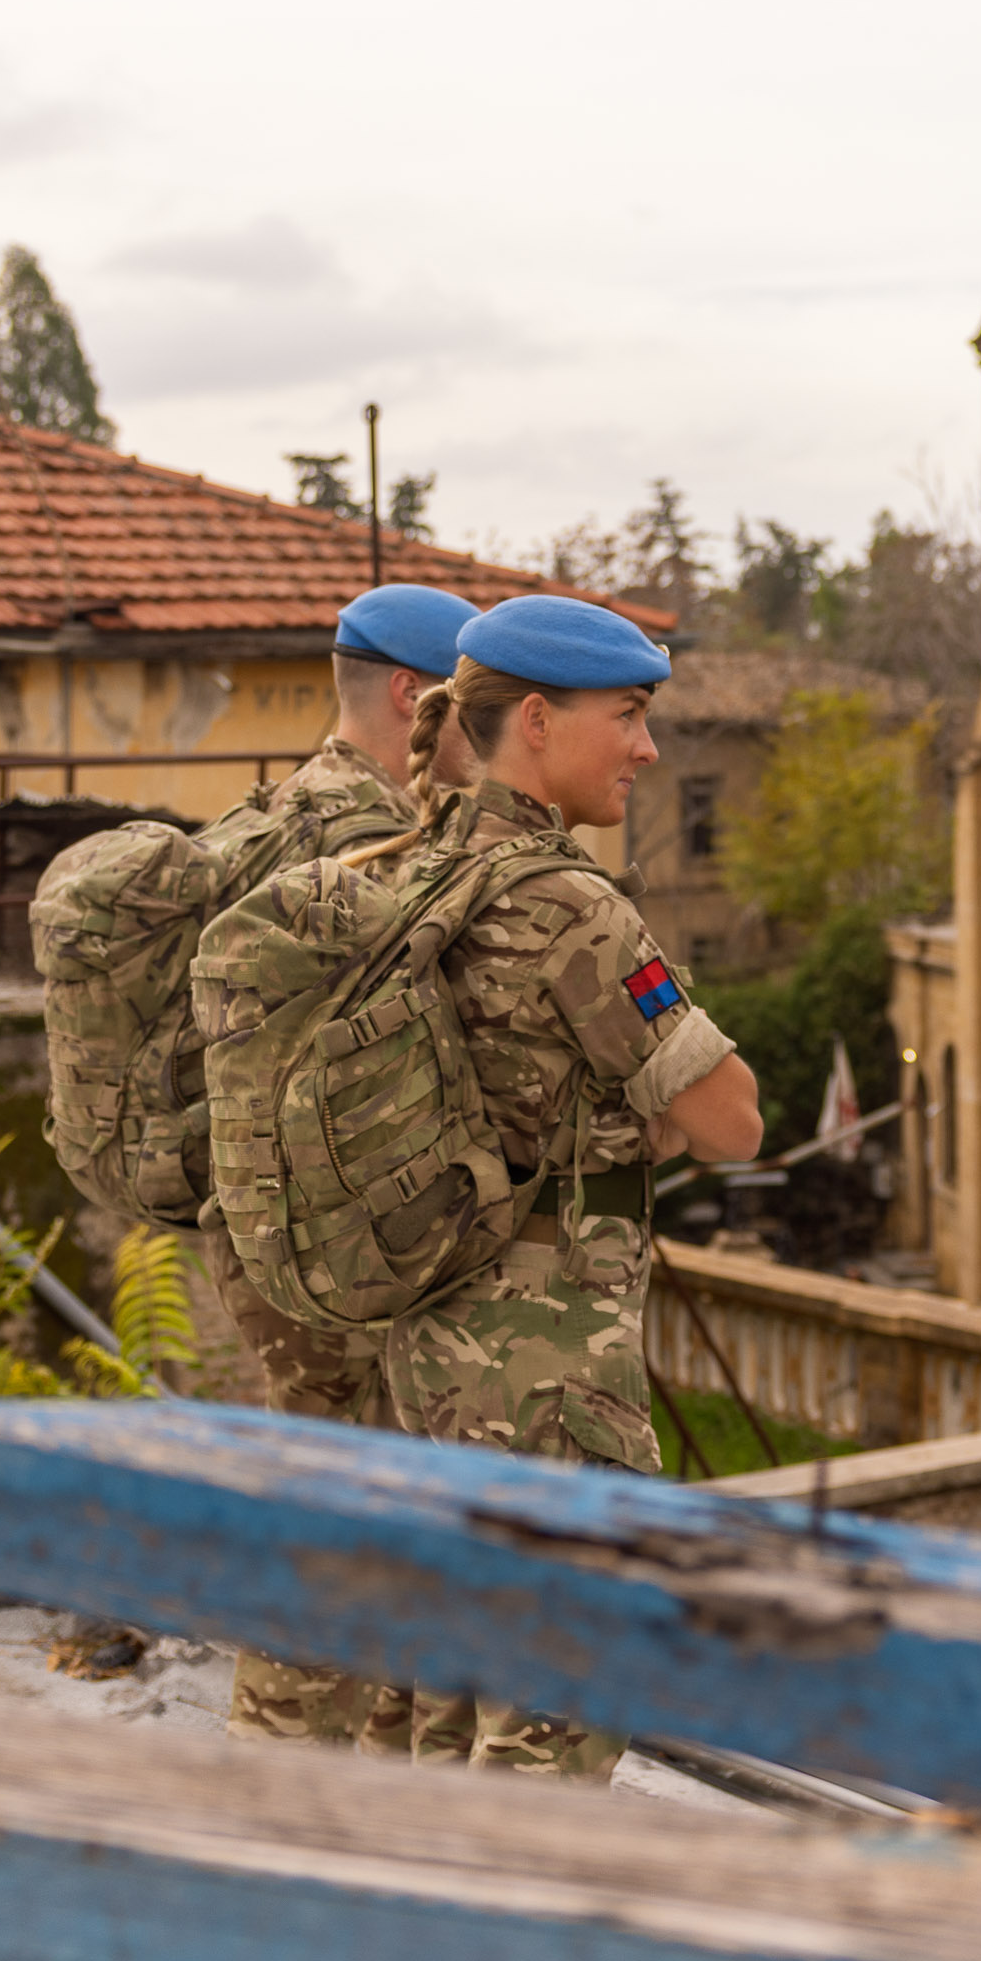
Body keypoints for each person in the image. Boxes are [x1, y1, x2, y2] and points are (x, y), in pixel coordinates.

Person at [352, 592, 763, 1772]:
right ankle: (506, 1948)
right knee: (557, 1716)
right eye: (627, 717)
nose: (647, 748)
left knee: (454, 1695)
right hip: (545, 1373)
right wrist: (655, 1122)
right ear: (536, 719)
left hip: (431, 1344)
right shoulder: (570, 903)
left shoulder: (417, 863)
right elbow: (730, 1116)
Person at [208, 582, 484, 1749]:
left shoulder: (275, 810)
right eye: (481, 705)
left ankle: (353, 1771)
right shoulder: (365, 841)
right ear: (418, 697)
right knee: (341, 1518)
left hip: (263, 1223)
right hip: (335, 1243)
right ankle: (275, 1789)